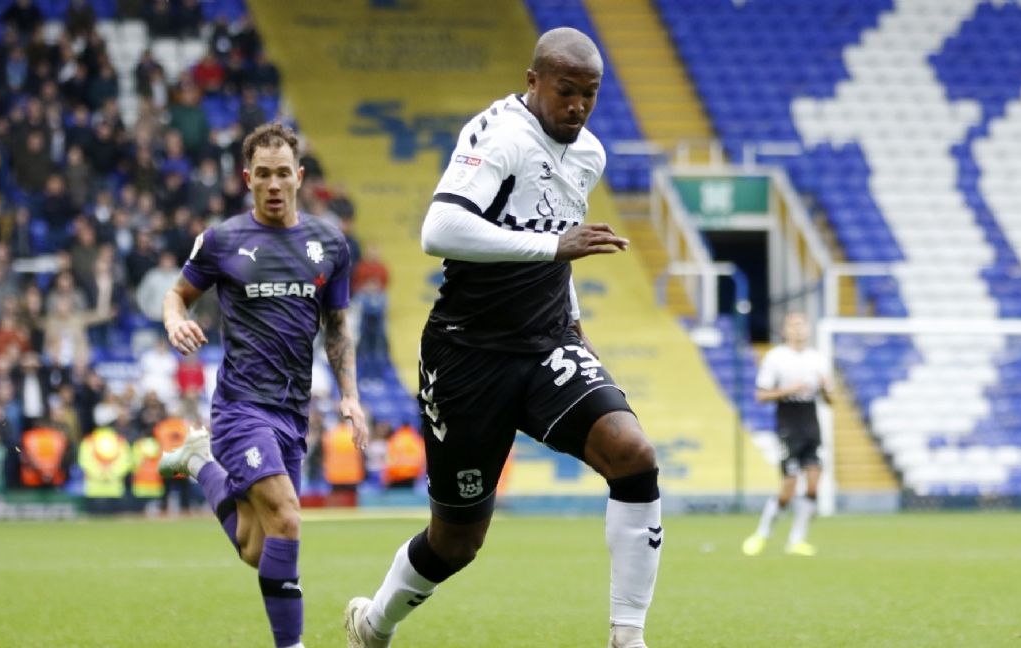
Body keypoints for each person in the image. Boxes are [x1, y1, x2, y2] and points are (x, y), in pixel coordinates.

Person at [344, 27, 662, 648]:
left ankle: (628, 637)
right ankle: (374, 624)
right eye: (566, 91)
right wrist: (553, 246)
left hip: (546, 345)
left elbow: (559, 247)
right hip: (467, 356)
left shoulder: (589, 154)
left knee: (633, 454)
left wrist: (576, 326)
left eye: (590, 95)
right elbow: (439, 229)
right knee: (457, 541)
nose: (578, 106)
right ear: (533, 81)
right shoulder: (500, 136)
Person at [159, 122, 368, 648]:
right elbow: (176, 295)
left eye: (283, 174)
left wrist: (350, 395)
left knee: (258, 547)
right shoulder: (222, 241)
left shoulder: (330, 244)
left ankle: (200, 462)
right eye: (264, 174)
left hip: (292, 412)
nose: (274, 184)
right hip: (240, 407)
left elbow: (336, 326)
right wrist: (175, 321)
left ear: (299, 177)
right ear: (247, 178)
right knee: (288, 520)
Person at [742, 311, 833, 557]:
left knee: (813, 484)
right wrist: (789, 389)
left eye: (802, 324)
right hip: (788, 424)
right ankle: (762, 533)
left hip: (811, 422)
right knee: (789, 488)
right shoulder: (776, 358)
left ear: (808, 329)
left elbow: (830, 400)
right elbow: (761, 395)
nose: (798, 329)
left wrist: (825, 389)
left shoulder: (818, 359)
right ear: (785, 330)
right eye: (793, 325)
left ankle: (797, 540)